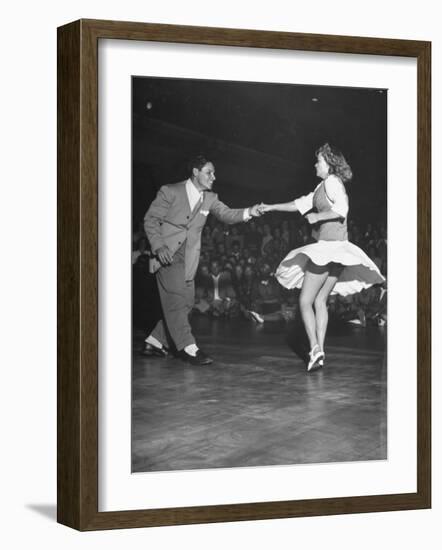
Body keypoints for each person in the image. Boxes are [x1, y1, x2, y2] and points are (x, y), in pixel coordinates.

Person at [259, 143, 385, 371]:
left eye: (318, 160)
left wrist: (317, 219)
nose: (315, 164)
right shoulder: (321, 187)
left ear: (328, 164)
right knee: (319, 301)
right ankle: (319, 352)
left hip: (329, 249)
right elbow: (298, 204)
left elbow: (342, 210)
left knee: (305, 301)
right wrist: (270, 207)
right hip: (336, 253)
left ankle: (315, 349)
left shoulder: (332, 182)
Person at [143, 154, 262, 365]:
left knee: (187, 303)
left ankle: (155, 340)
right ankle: (189, 348)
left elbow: (227, 214)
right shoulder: (170, 191)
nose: (213, 177)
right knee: (176, 300)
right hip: (167, 255)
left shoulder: (210, 198)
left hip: (189, 258)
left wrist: (249, 212)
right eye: (209, 172)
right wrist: (159, 246)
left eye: (214, 173)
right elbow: (151, 220)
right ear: (195, 172)